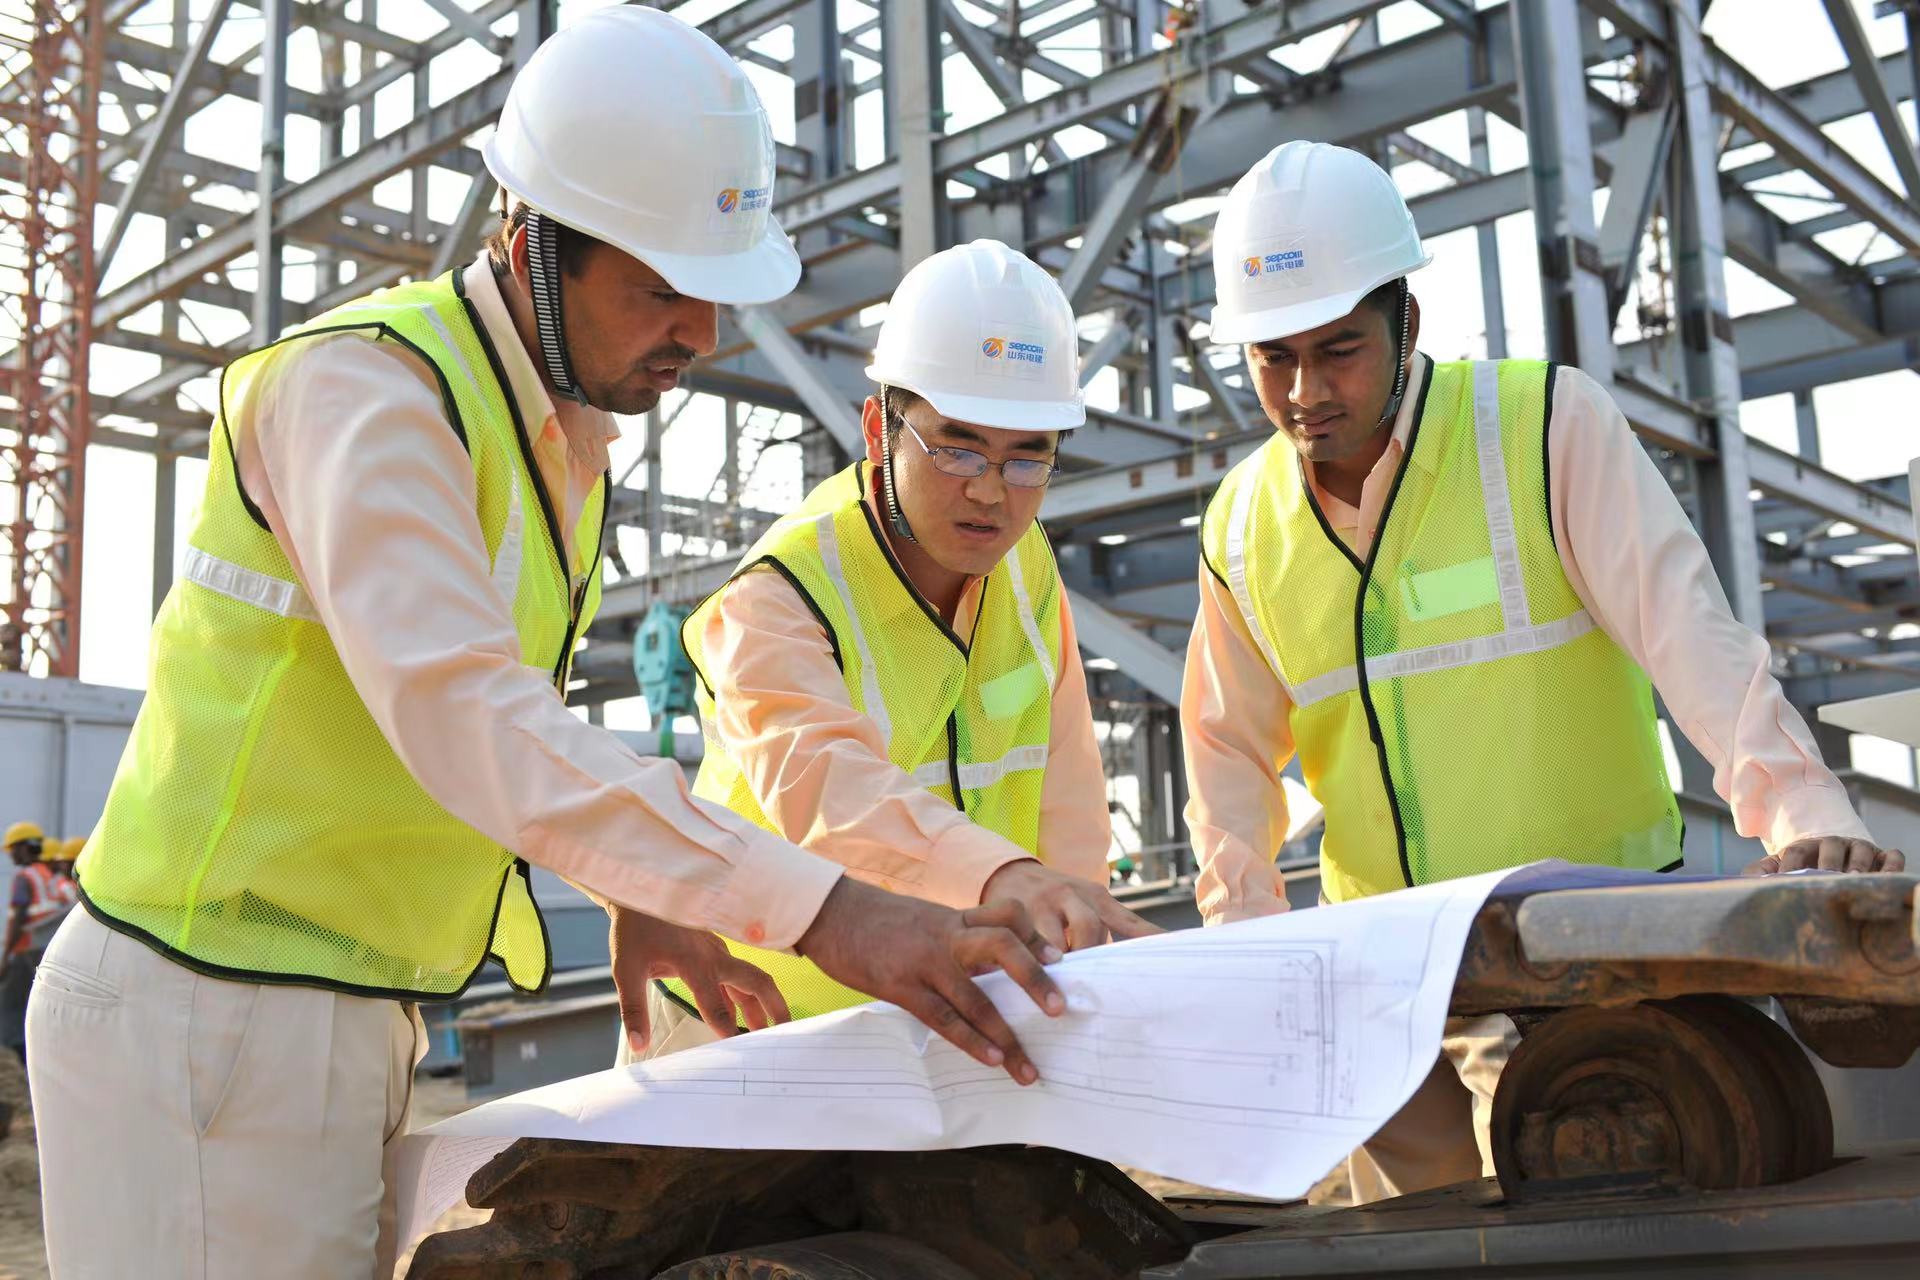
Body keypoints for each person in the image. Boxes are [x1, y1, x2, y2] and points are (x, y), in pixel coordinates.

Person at [28, 13, 1065, 1277]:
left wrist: (637, 886)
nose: (699, 333)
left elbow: (504, 713)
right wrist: (828, 909)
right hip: (211, 1012)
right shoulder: (366, 395)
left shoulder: (553, 438)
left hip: (320, 1013)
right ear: (532, 241)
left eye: (714, 296)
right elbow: (466, 711)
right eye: (660, 288)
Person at [1182, 140, 1905, 1205]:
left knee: (1644, 1207)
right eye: (1270, 359)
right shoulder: (1242, 524)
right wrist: (1243, 942)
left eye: (1337, 350)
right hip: (1389, 972)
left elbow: (1688, 630)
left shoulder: (1540, 426)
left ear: (1407, 322)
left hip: (1604, 944)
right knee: (1413, 1236)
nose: (1303, 393)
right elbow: (1226, 752)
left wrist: (1802, 812)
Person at [618, 240, 1157, 1061]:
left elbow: (1067, 783)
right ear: (881, 429)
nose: (989, 490)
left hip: (941, 1013)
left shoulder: (1027, 564)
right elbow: (829, 788)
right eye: (957, 445)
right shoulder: (781, 592)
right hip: (743, 1029)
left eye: (1027, 458)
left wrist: (1076, 927)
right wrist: (1001, 878)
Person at [0, 821, 65, 1061]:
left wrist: (6, 956)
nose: (11, 854)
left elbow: (19, 917)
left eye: (13, 848)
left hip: (25, 948)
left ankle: (17, 1054)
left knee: (10, 1006)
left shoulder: (24, 878)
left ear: (26, 848)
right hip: (44, 950)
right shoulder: (49, 875)